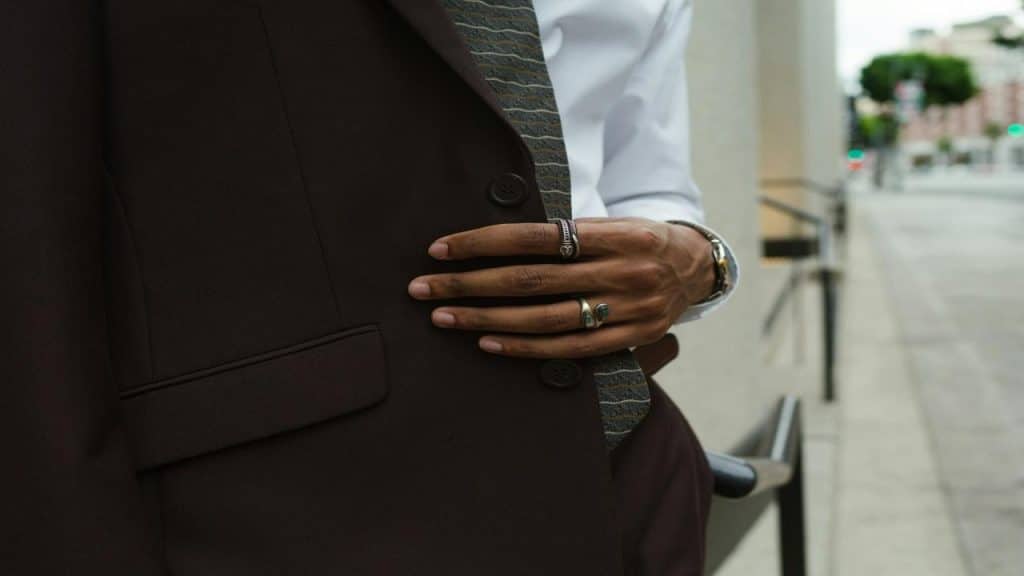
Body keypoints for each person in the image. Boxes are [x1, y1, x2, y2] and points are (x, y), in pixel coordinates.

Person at [1, 0, 736, 574]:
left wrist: (703, 263)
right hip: (289, 520)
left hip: (632, 481)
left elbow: (650, 186)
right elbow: (32, 226)